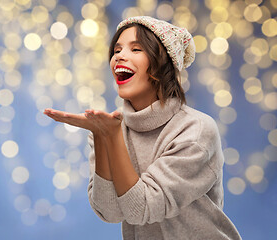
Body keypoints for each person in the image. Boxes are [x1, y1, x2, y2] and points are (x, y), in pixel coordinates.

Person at [44, 16, 241, 240]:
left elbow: (142, 208)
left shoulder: (195, 131)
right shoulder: (108, 128)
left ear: (161, 64)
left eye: (136, 49)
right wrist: (101, 137)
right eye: (116, 50)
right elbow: (108, 212)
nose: (120, 57)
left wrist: (110, 136)